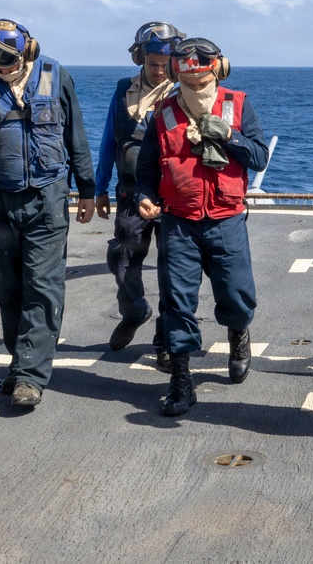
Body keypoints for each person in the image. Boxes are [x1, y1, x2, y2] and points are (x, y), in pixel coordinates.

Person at [0, 19, 96, 408]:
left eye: (5, 58)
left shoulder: (54, 75)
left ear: (25, 52)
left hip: (47, 198)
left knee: (43, 287)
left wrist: (88, 190)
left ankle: (31, 376)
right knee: (10, 288)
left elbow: (75, 135)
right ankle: (19, 364)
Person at [135, 37, 269, 417]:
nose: (195, 85)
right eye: (187, 79)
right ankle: (180, 380)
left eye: (201, 77)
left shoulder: (238, 105)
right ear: (177, 73)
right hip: (179, 220)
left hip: (226, 218)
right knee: (177, 301)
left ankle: (238, 334)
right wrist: (144, 195)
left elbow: (258, 157)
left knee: (237, 294)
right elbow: (146, 169)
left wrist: (229, 135)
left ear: (217, 68)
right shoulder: (161, 114)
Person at [95, 21, 184, 369]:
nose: (159, 70)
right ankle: (134, 312)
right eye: (152, 63)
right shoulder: (122, 90)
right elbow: (108, 142)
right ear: (140, 59)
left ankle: (165, 338)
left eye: (165, 64)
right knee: (121, 260)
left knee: (171, 270)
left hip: (171, 197)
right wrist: (99, 188)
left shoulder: (183, 93)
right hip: (130, 195)